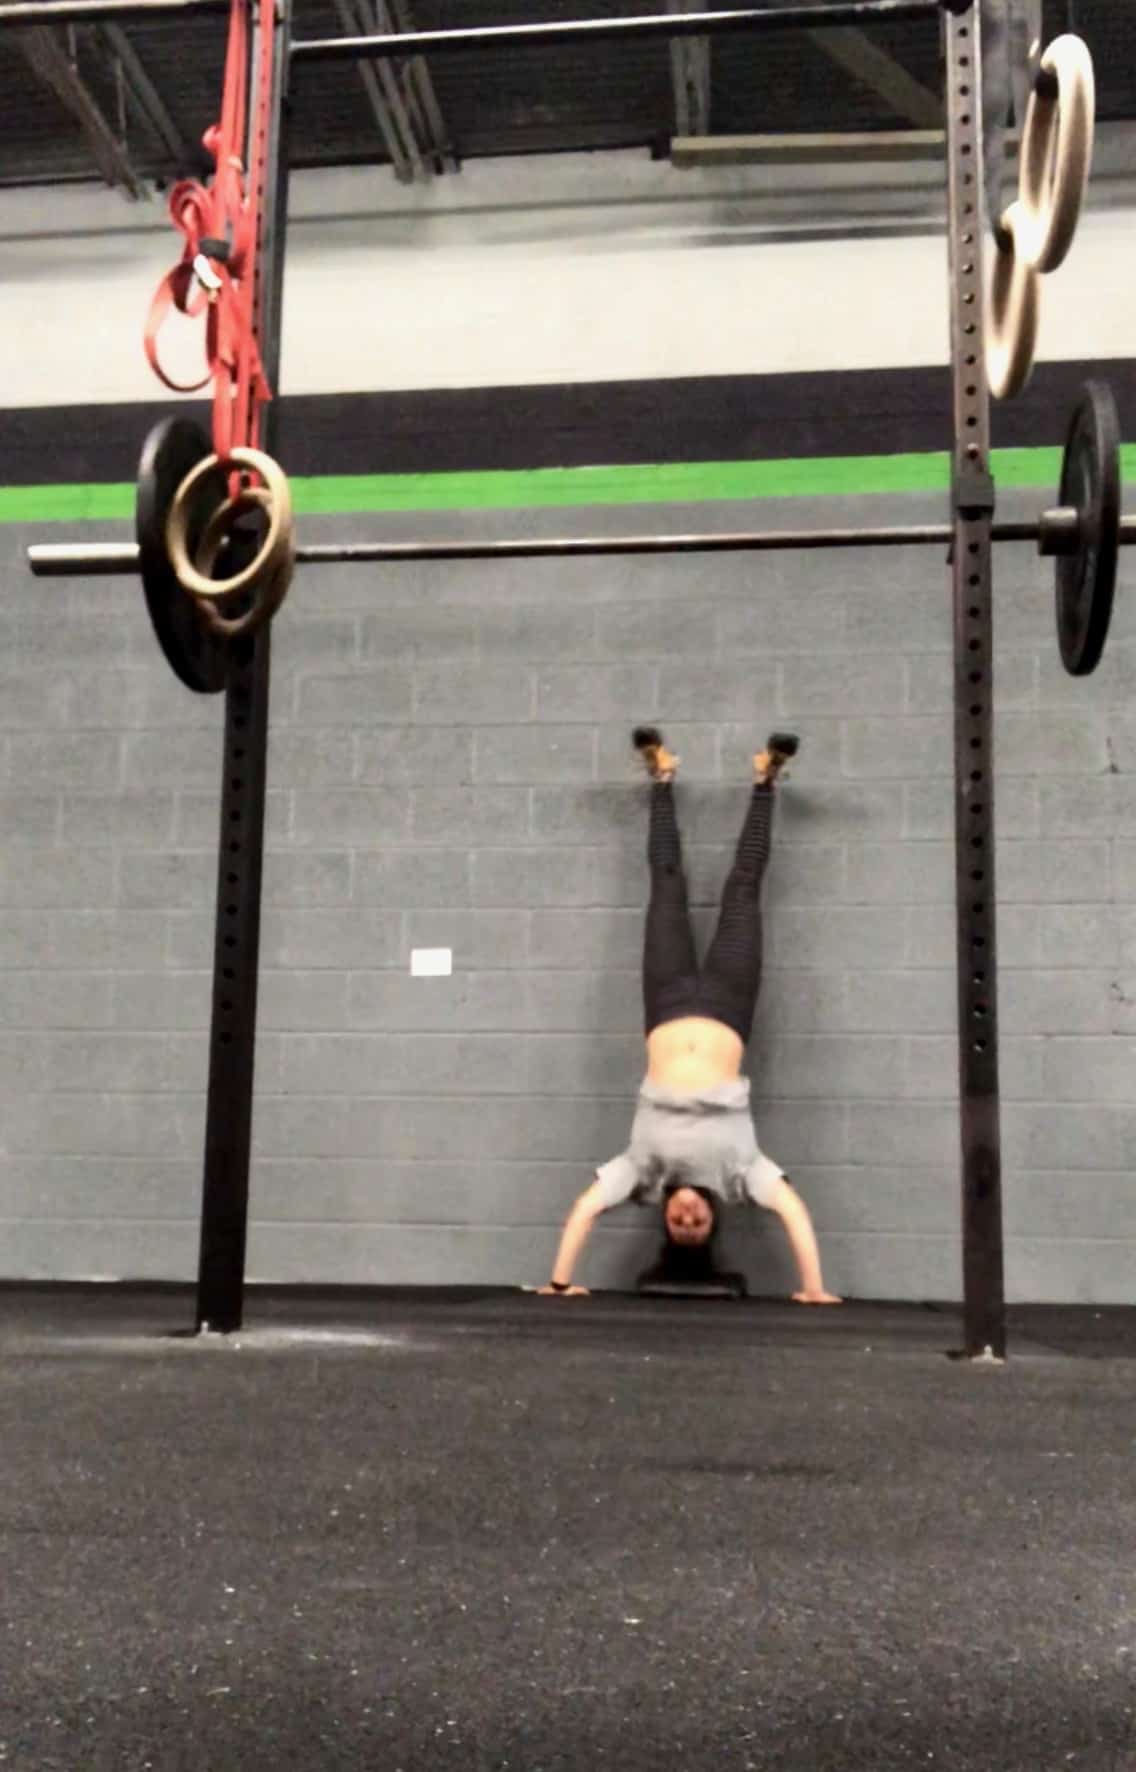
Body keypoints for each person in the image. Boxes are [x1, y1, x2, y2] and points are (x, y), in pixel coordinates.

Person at [540, 727, 840, 1305]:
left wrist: (559, 1282)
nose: (684, 1218)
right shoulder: (742, 1174)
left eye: (677, 1226)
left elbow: (584, 1208)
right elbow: (794, 1212)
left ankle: (661, 777)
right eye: (696, 1225)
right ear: (711, 1218)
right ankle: (765, 781)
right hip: (729, 1003)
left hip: (667, 1001)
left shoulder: (640, 1173)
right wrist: (813, 1287)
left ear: (667, 1222)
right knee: (743, 892)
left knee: (666, 890)